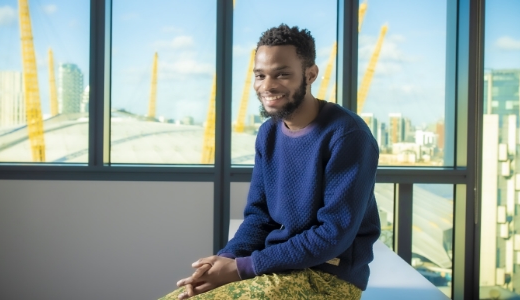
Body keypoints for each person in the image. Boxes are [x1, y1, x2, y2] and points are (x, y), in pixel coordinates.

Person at [160, 24, 381, 300]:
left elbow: (332, 235)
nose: (267, 86)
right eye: (260, 75)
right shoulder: (269, 133)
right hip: (274, 265)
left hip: (328, 279)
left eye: (282, 74)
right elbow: (260, 217)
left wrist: (242, 268)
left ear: (310, 74)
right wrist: (225, 260)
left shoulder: (348, 135)